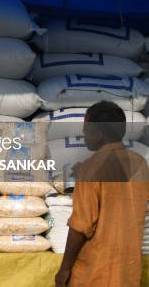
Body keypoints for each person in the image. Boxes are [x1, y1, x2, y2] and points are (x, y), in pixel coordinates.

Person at [55, 100, 148, 287]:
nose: (83, 134)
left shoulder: (91, 168)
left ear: (97, 134)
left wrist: (64, 268)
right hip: (128, 271)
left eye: (86, 129)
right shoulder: (140, 163)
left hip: (95, 272)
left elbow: (81, 226)